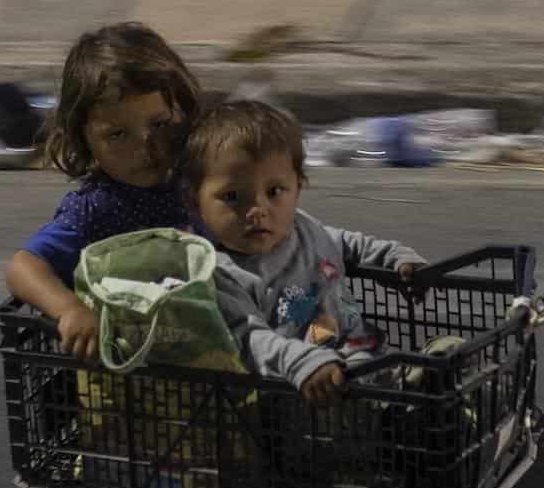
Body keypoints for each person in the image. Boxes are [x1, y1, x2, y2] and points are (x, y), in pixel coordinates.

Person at [183, 100, 427, 406]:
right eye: (233, 196)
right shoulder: (219, 273)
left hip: (360, 353)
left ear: (297, 188)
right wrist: (303, 363)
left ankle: (427, 387)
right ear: (196, 204)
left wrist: (398, 258)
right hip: (300, 388)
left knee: (406, 382)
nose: (257, 210)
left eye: (274, 192)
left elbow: (355, 245)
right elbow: (250, 340)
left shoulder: (304, 229)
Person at [4, 24, 205, 363]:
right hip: (128, 366)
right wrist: (70, 309)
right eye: (117, 135)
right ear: (85, 141)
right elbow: (22, 267)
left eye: (159, 124)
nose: (146, 147)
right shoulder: (98, 208)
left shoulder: (203, 181)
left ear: (182, 112)